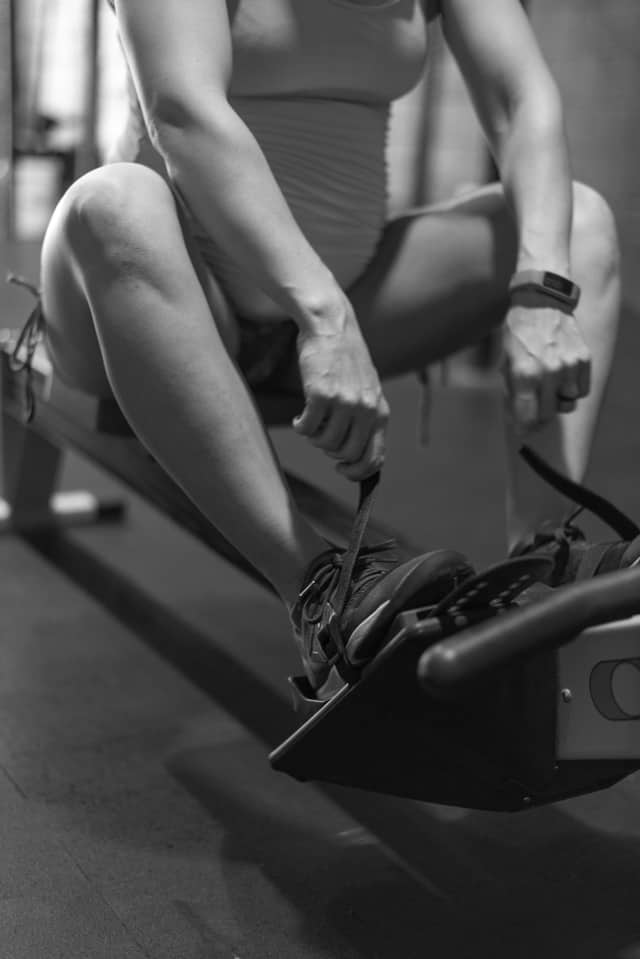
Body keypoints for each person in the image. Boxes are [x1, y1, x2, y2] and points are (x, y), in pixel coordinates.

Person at [30, 0, 638, 699]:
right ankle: (318, 592)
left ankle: (541, 562)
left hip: (341, 300)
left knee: (575, 223)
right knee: (112, 204)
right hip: (153, 303)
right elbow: (181, 111)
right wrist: (323, 316)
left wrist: (540, 293)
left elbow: (519, 95)